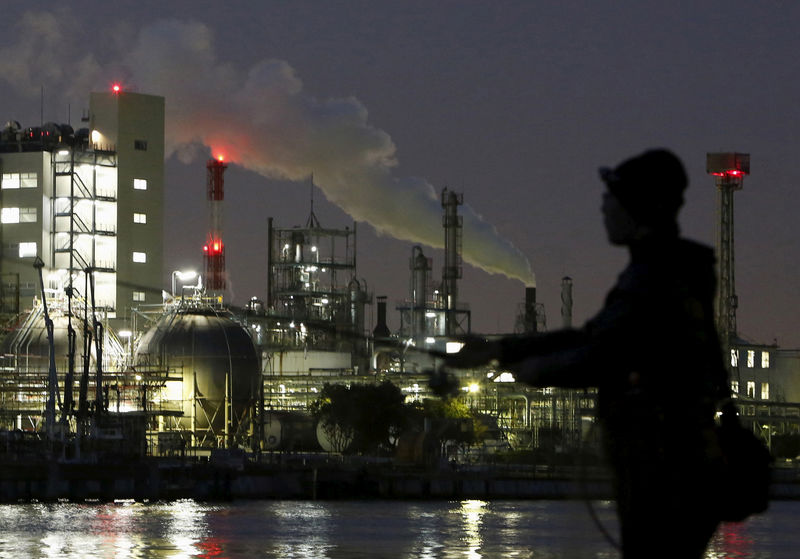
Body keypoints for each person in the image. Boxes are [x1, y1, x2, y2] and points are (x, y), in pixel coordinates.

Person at [446, 149, 727, 558]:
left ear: (640, 206)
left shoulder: (655, 277)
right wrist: (499, 349)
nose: (603, 208)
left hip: (664, 467)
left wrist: (530, 370)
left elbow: (601, 354)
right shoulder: (668, 268)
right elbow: (593, 335)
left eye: (612, 198)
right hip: (677, 464)